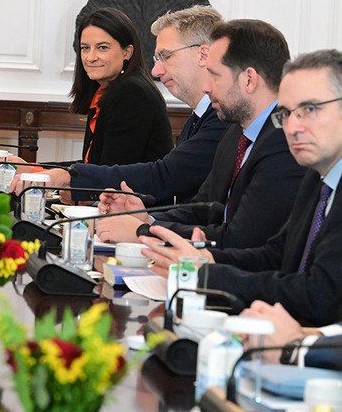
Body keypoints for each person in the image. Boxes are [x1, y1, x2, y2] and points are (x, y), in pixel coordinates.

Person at [142, 49, 342, 325]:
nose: (293, 127)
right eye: (286, 113)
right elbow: (276, 255)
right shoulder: (317, 178)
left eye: (309, 109)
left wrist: (207, 275)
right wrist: (203, 259)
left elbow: (320, 295)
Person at [96, 19, 306, 250]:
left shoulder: (286, 142)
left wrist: (144, 231)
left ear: (249, 79)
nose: (206, 87)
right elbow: (202, 209)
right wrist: (146, 218)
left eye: (215, 75)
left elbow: (240, 239)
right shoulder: (236, 131)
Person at [22, 6, 228, 204]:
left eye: (166, 56)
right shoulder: (199, 117)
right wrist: (43, 171)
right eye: (85, 48)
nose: (156, 71)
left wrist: (66, 178)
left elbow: (164, 176)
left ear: (203, 55)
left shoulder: (222, 118)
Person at [67, 7, 173, 167]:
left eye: (102, 47)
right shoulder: (108, 90)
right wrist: (36, 168)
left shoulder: (131, 93)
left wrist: (45, 173)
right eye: (85, 48)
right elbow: (92, 165)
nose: (90, 58)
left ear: (127, 52)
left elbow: (110, 172)